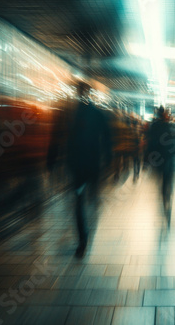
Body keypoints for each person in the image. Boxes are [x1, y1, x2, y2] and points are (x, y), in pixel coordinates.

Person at [49, 82, 112, 257]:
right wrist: (108, 157)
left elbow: (58, 135)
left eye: (82, 91)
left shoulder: (72, 114)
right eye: (80, 91)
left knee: (82, 200)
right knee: (80, 200)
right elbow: (106, 137)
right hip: (84, 166)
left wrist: (52, 158)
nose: (81, 94)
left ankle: (84, 235)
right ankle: (83, 238)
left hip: (82, 165)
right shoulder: (93, 114)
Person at [145, 106, 175, 226]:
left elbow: (149, 142)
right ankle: (167, 195)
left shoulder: (153, 126)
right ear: (164, 114)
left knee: (161, 178)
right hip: (168, 157)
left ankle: (164, 195)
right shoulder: (168, 126)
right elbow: (174, 141)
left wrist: (147, 158)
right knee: (167, 179)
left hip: (157, 157)